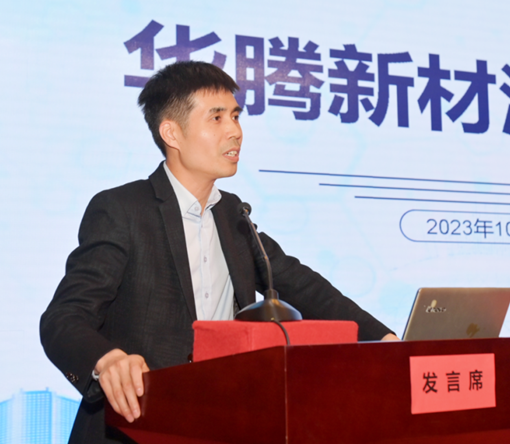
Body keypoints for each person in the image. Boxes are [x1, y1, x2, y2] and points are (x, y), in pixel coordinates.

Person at [40, 61, 398, 444]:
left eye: (236, 116)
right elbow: (64, 317)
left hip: (221, 422)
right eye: (216, 118)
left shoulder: (233, 215)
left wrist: (385, 341)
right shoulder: (123, 210)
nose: (235, 131)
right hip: (135, 427)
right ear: (171, 133)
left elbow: (303, 286)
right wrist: (107, 359)